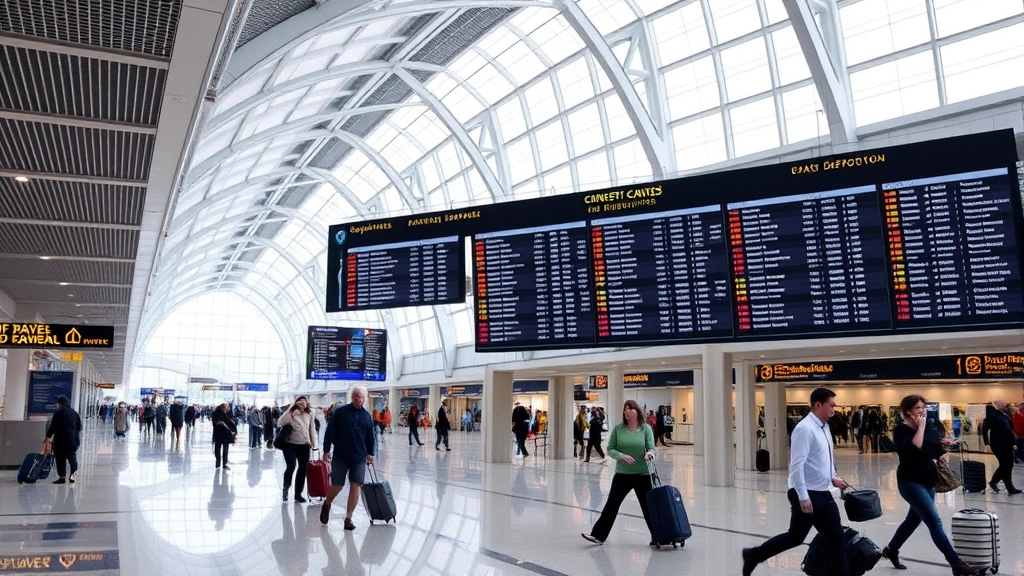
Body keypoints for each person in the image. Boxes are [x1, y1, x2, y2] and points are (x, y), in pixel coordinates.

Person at [742, 388, 850, 576]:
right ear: (818, 405)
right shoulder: (804, 429)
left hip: (822, 491)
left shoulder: (824, 427)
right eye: (831, 405)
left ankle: (754, 554)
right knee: (801, 536)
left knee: (832, 537)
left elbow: (823, 460)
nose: (834, 409)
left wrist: (833, 478)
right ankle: (754, 554)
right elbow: (797, 465)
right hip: (806, 492)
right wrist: (803, 497)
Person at [881, 395, 979, 575]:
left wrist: (943, 454)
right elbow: (914, 448)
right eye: (918, 408)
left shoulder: (930, 430)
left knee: (913, 520)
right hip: (910, 483)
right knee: (935, 521)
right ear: (907, 412)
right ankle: (956, 564)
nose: (922, 411)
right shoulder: (901, 431)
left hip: (929, 481)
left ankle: (891, 549)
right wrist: (922, 427)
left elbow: (937, 450)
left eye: (924, 408)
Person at [581, 400, 656, 545]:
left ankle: (658, 537)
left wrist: (649, 454)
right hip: (623, 474)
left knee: (648, 508)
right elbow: (610, 449)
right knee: (612, 505)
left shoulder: (645, 429)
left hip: (643, 475)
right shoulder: (618, 429)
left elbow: (652, 448)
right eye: (625, 410)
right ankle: (598, 535)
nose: (626, 412)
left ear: (637, 411)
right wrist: (620, 456)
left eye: (629, 409)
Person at [320, 385, 376, 529]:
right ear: (352, 397)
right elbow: (329, 432)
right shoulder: (341, 412)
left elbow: (371, 436)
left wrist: (371, 453)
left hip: (359, 457)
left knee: (355, 485)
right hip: (341, 455)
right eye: (356, 396)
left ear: (364, 399)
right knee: (337, 485)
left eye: (361, 397)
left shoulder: (366, 416)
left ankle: (348, 518)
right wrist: (326, 450)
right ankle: (327, 503)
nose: (358, 399)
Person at [277, 396, 319, 502]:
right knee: (291, 466)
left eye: (304, 403)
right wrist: (291, 412)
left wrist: (314, 445)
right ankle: (286, 488)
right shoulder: (291, 412)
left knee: (302, 469)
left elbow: (312, 429)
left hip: (304, 444)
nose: (302, 405)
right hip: (290, 444)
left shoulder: (310, 414)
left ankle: (298, 494)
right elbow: (279, 423)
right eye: (299, 403)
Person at [981, 400, 1020, 494]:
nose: (1005, 403)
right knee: (1005, 464)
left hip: (1007, 443)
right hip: (998, 444)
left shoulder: (1004, 415)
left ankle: (1009, 487)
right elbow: (984, 429)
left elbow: (1010, 429)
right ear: (997, 404)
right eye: (1002, 402)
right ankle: (994, 482)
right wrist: (986, 444)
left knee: (1009, 464)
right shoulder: (992, 414)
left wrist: (1013, 442)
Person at [45, 395, 82, 484]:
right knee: (72, 458)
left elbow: (53, 426)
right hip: (73, 440)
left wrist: (48, 436)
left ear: (59, 404)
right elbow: (79, 427)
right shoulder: (75, 413)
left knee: (60, 459)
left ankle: (62, 478)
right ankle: (73, 476)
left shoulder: (58, 413)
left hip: (61, 441)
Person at [211, 402, 237, 470]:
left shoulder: (227, 413)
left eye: (227, 405)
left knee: (223, 448)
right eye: (225, 405)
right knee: (221, 448)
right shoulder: (218, 413)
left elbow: (232, 422)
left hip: (223, 433)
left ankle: (222, 463)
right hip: (221, 432)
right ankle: (220, 463)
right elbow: (214, 423)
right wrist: (218, 423)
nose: (226, 406)